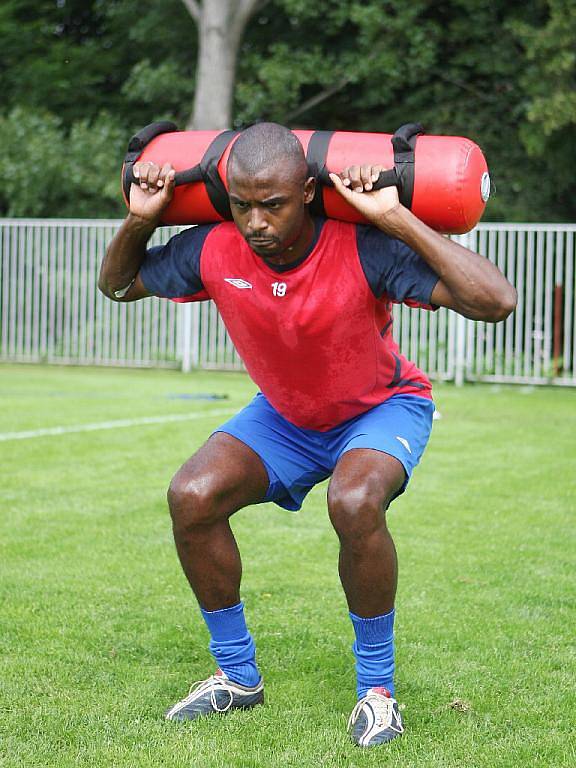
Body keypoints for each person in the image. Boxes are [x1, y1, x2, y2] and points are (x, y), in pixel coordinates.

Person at [99, 122, 516, 747]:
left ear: (309, 192)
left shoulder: (363, 245)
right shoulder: (212, 247)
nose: (256, 222)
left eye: (273, 205)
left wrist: (395, 219)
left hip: (381, 407)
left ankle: (377, 693)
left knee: (353, 501)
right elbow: (117, 285)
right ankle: (237, 679)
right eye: (242, 205)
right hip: (287, 417)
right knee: (192, 496)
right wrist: (140, 220)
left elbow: (496, 301)